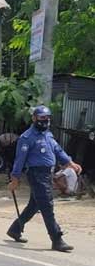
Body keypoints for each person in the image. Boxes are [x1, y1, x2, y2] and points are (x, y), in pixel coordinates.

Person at [7, 105, 82, 251]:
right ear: (34, 118)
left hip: (48, 173)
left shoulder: (47, 134)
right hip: (36, 175)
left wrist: (70, 163)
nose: (45, 121)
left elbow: (58, 150)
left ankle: (15, 229)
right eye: (42, 118)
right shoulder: (27, 138)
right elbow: (19, 160)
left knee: (34, 206)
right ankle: (56, 238)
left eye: (47, 118)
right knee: (47, 206)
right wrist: (15, 178)